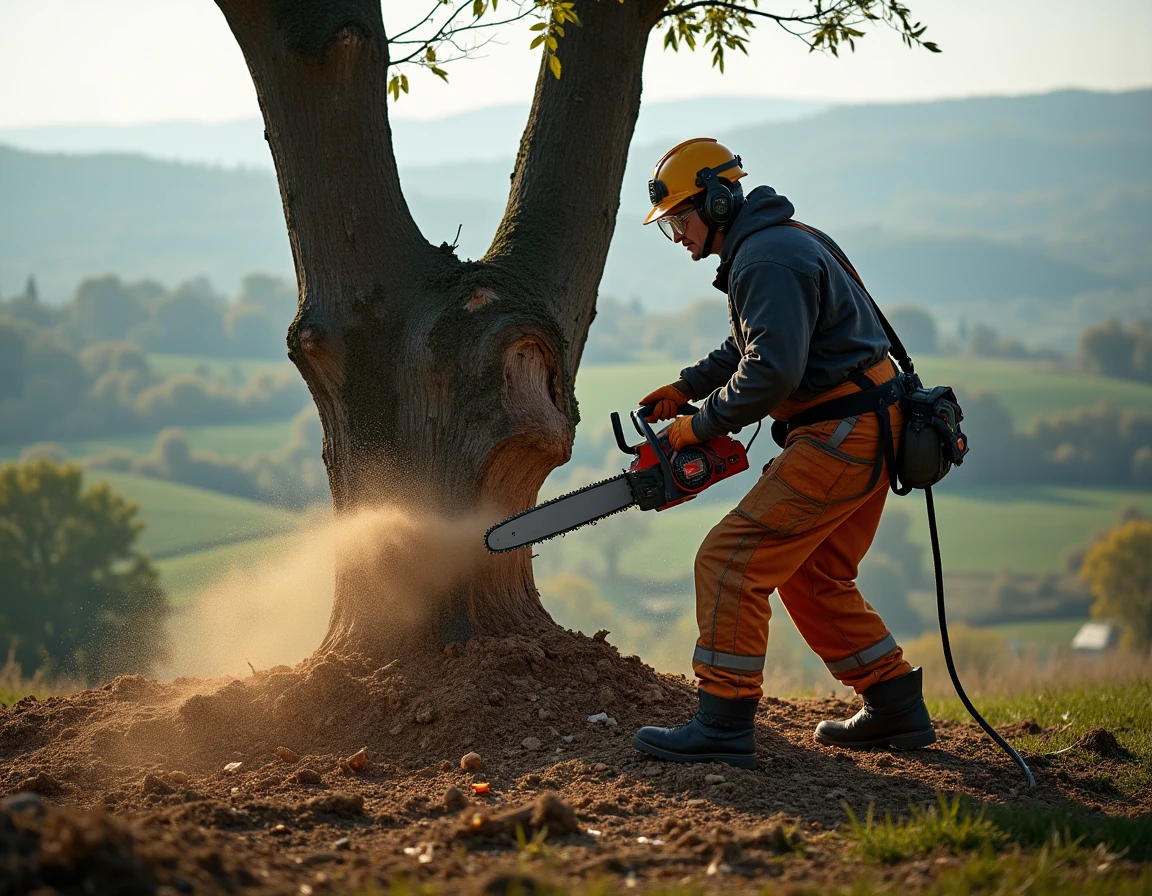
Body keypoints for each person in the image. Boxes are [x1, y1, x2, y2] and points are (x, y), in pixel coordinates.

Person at [631, 137, 935, 770]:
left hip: (840, 434)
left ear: (716, 200)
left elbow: (769, 371)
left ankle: (722, 721)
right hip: (868, 428)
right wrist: (690, 386)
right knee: (813, 571)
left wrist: (697, 428)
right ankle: (895, 703)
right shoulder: (772, 243)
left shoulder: (765, 258)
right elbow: (751, 341)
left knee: (728, 561)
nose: (679, 235)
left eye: (681, 219)